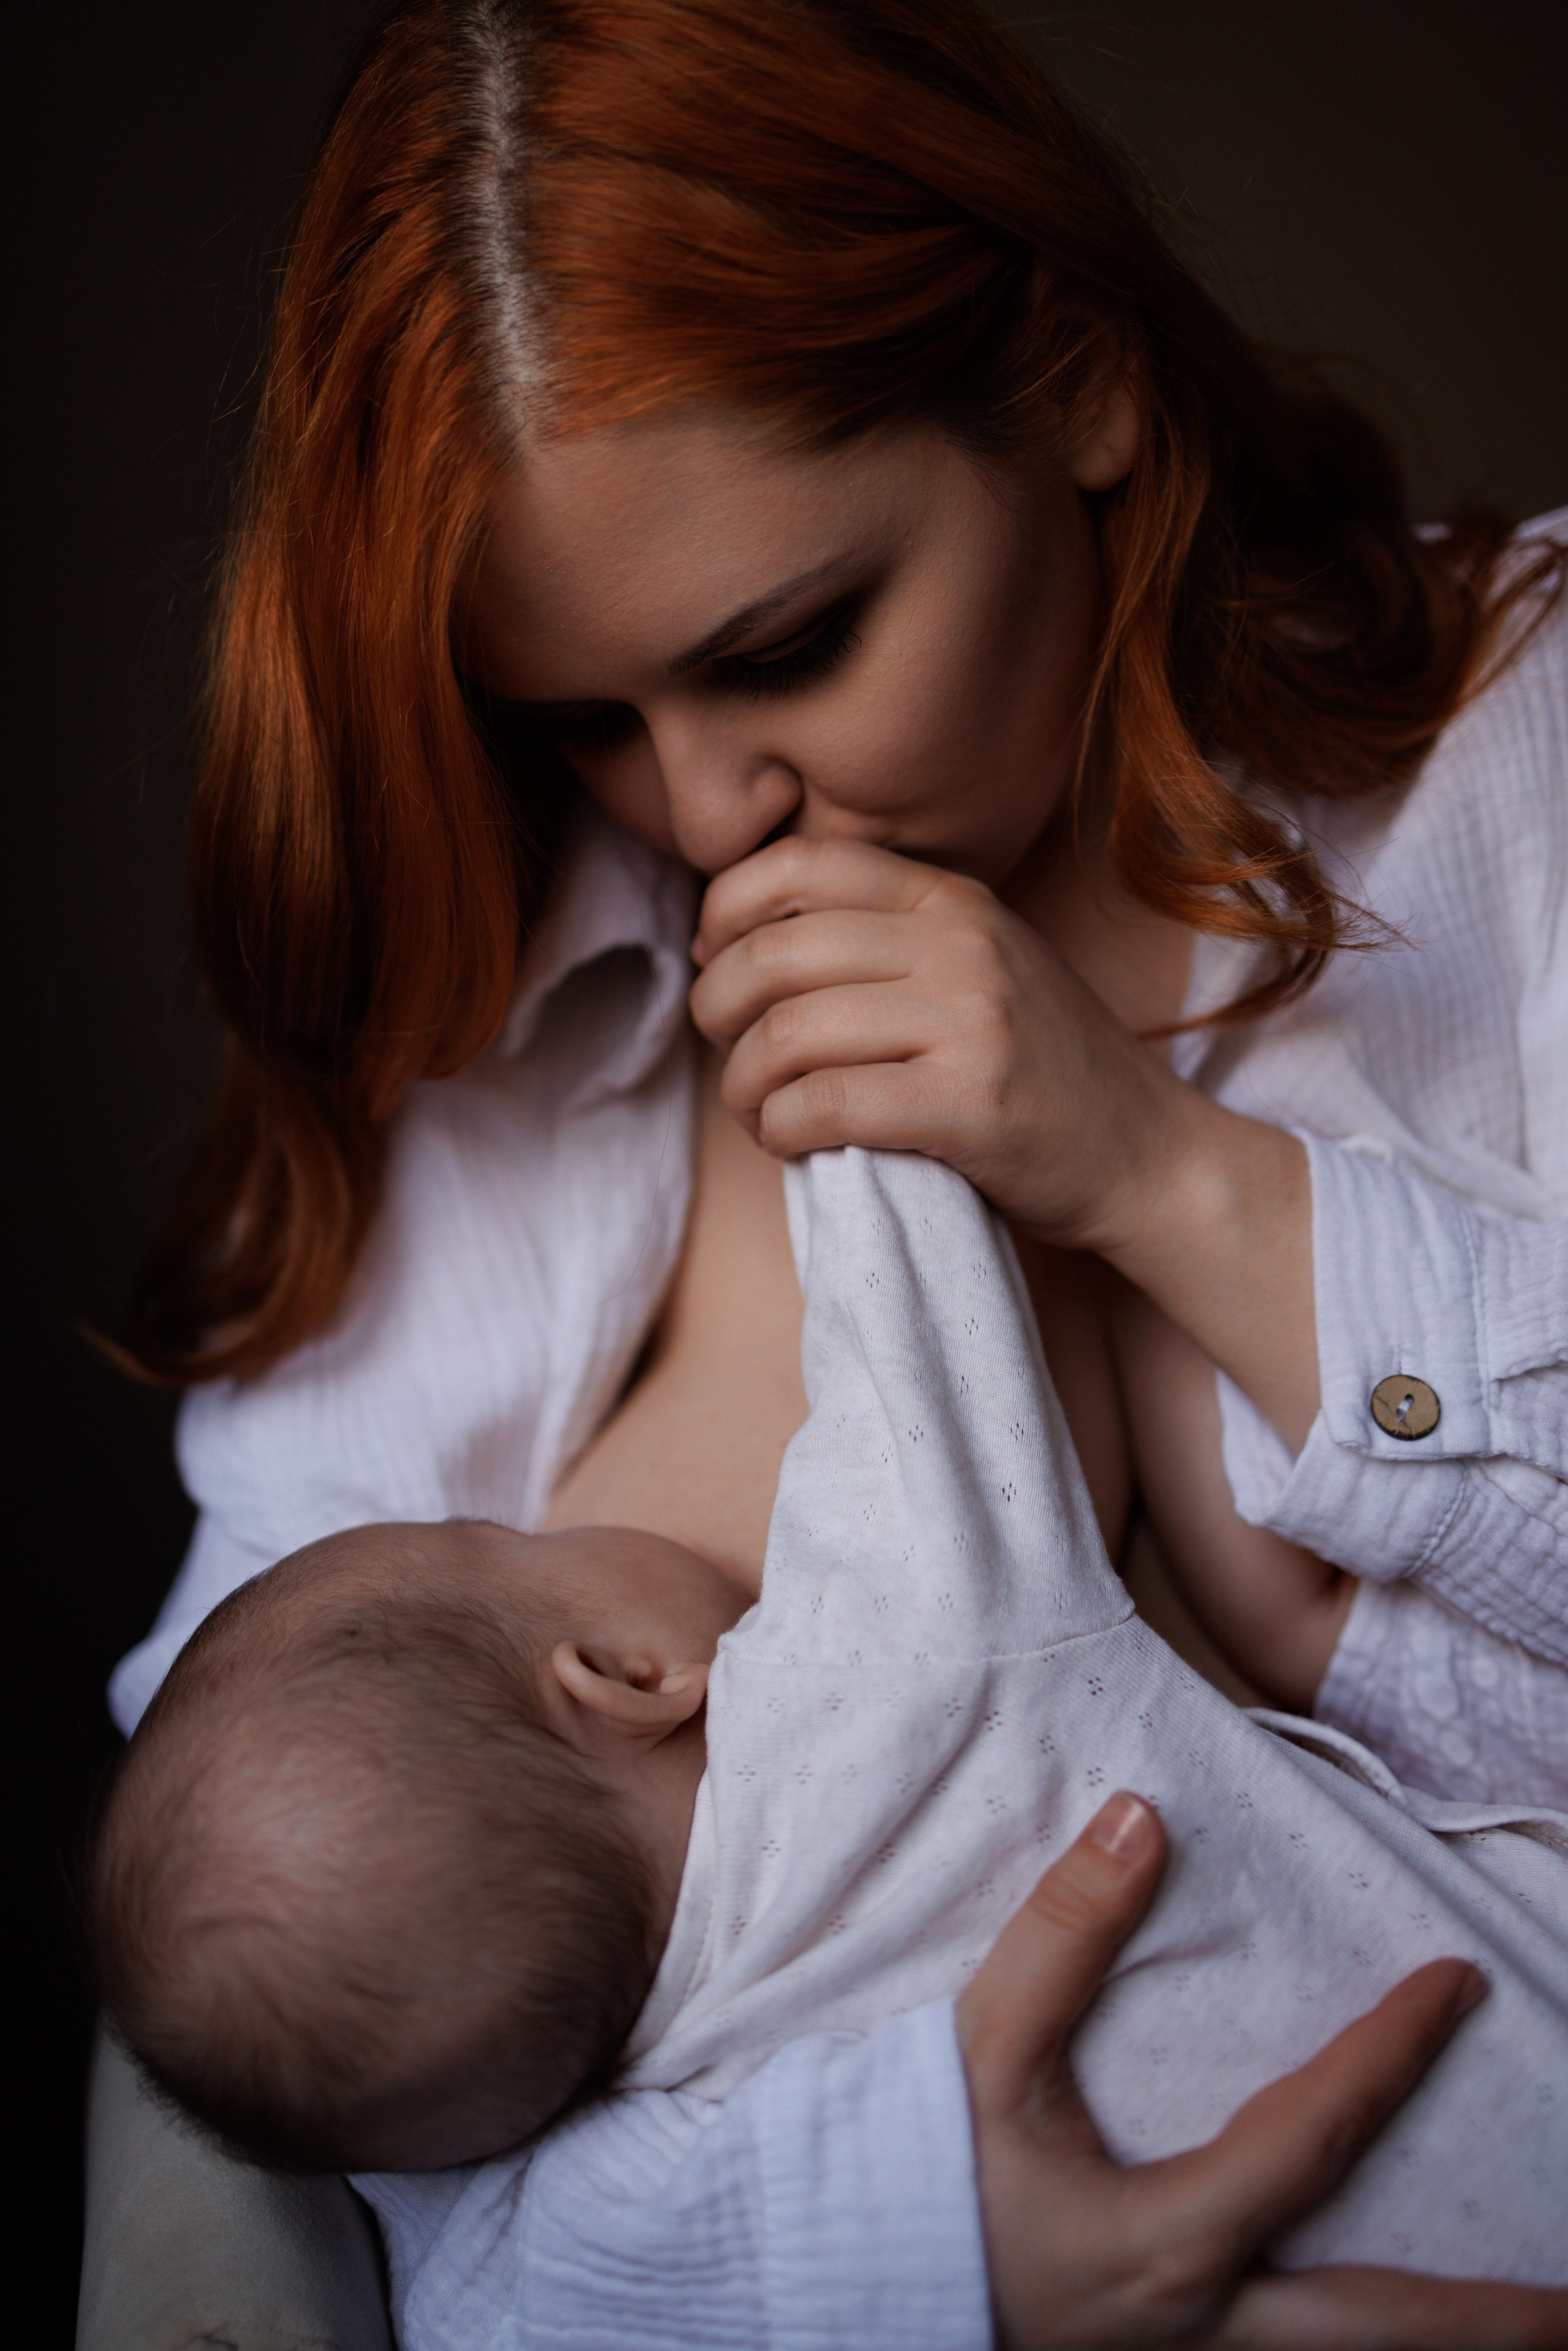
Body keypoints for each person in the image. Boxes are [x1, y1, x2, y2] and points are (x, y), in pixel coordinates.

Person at [91, 0, 1566, 2339]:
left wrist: (1168, 1178)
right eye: (579, 717)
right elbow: (311, 2036)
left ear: (1075, 374)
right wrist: (901, 2241)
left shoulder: (1527, 761)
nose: (697, 816)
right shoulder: (507, 1063)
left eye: (789, 641)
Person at [88, 1147, 1568, 2330]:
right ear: (621, 1672)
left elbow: (487, 2290)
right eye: (496, 1534)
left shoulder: (664, 2140)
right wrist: (844, 1058)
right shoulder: (901, 1658)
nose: (542, 1517)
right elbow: (904, 1305)